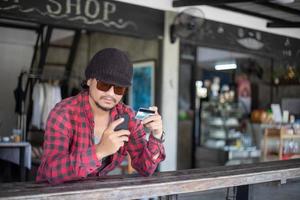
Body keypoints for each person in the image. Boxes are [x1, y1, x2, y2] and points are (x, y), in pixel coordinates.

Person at [36, 48, 165, 184]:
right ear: (89, 81)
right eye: (104, 84)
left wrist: (156, 136)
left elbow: (145, 168)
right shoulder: (64, 113)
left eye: (118, 88)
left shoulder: (126, 116)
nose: (110, 93)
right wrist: (99, 151)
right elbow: (51, 171)